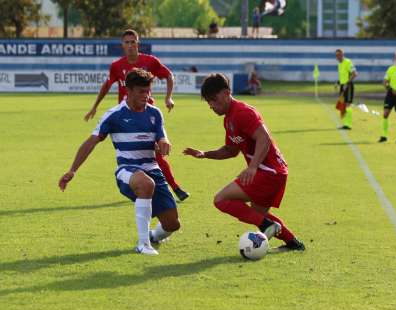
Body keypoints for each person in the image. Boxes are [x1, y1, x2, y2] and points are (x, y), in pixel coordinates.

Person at [59, 69, 181, 255]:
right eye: (141, 91)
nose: (146, 95)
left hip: (152, 169)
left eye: (148, 91)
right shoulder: (114, 114)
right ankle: (143, 244)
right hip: (127, 170)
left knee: (172, 224)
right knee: (146, 184)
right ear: (128, 91)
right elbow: (90, 142)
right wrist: (72, 170)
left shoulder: (155, 113)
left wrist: (164, 143)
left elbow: (162, 138)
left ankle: (153, 236)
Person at [183, 73, 305, 251]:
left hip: (268, 172)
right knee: (258, 214)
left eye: (213, 100)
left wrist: (253, 167)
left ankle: (266, 227)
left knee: (221, 199)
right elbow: (230, 151)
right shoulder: (229, 119)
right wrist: (205, 154)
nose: (211, 105)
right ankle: (294, 244)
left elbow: (264, 138)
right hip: (274, 172)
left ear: (226, 93)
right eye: (208, 101)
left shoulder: (242, 112)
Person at [84, 29, 189, 201]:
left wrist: (168, 97)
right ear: (122, 45)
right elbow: (107, 85)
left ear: (138, 44)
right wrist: (95, 106)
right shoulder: (117, 66)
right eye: (127, 42)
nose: (131, 45)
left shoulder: (150, 61)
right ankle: (156, 188)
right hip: (125, 119)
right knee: (141, 157)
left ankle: (172, 188)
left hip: (147, 115)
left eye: (133, 42)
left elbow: (168, 75)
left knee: (155, 154)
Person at [335, 49, 358, 130]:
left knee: (348, 104)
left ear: (342, 54)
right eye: (336, 55)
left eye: (339, 55)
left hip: (348, 86)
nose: (338, 57)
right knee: (343, 105)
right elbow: (342, 76)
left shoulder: (348, 62)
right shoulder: (339, 64)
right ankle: (345, 124)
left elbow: (355, 74)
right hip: (342, 86)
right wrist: (338, 83)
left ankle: (348, 125)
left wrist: (347, 83)